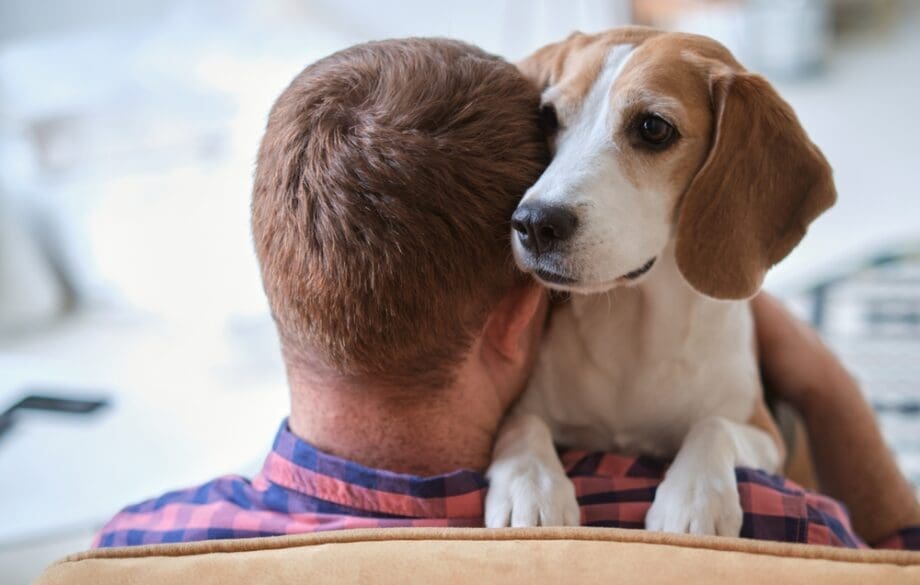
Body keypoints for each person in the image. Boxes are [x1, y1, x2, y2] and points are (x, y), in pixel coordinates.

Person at [94, 38, 919, 550]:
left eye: (649, 131)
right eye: (557, 122)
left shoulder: (120, 550)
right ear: (517, 315)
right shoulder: (790, 531)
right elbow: (899, 555)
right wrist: (820, 381)